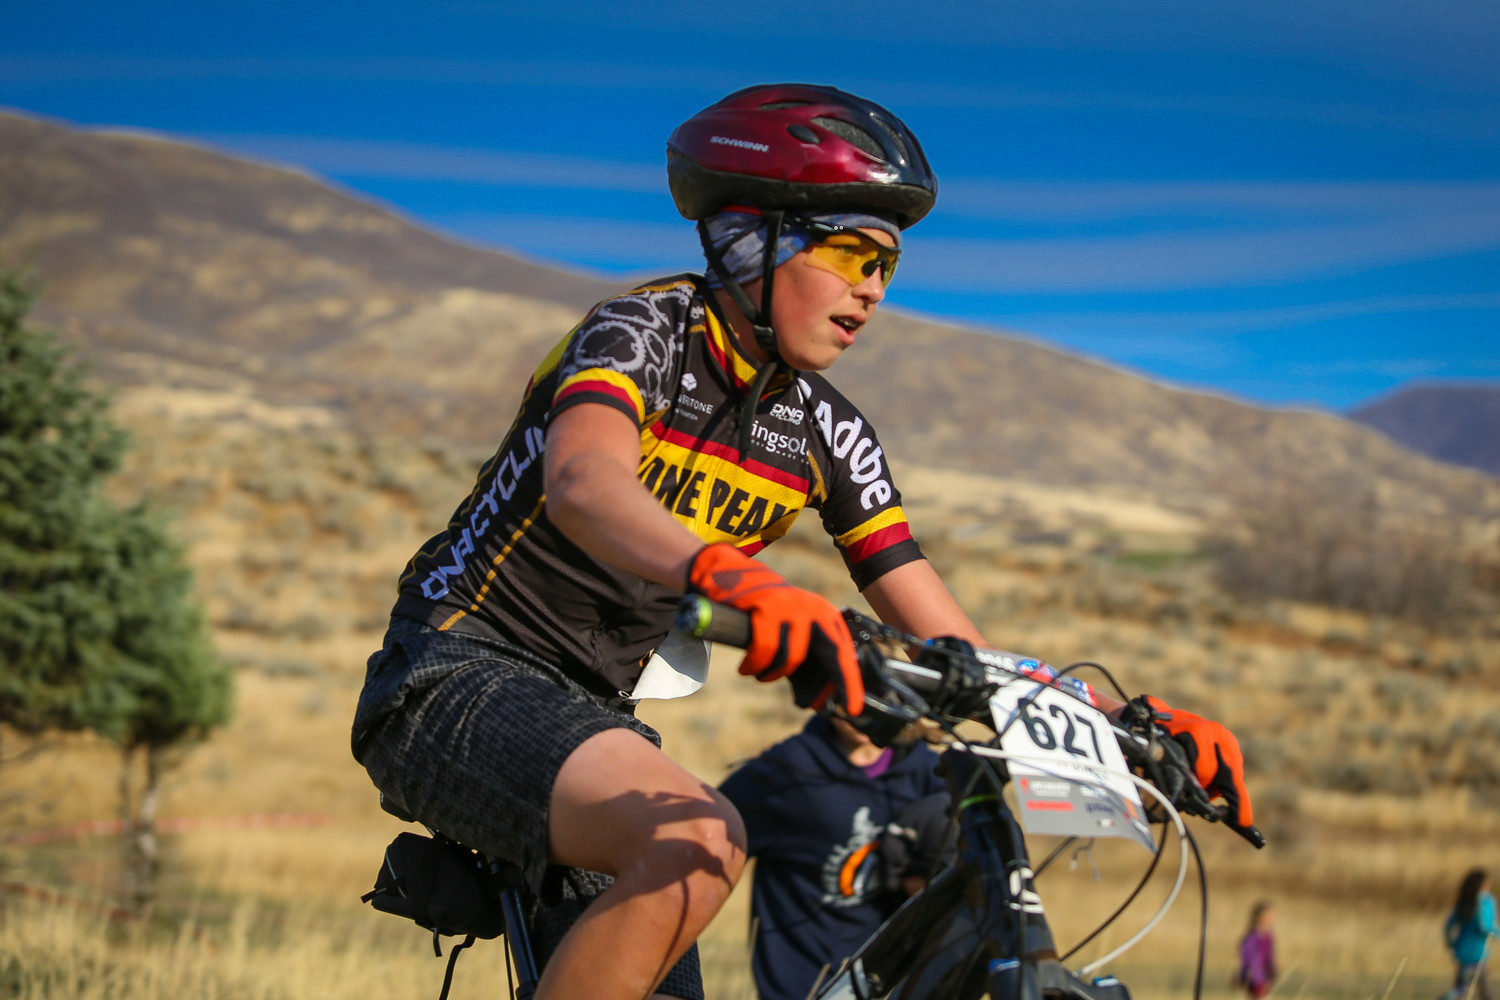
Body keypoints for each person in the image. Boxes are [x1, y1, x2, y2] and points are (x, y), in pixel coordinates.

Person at [349, 83, 1255, 1000]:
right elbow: (584, 482)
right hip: (453, 669)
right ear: (754, 237)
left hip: (599, 717)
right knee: (700, 841)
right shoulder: (643, 333)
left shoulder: (830, 431)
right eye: (854, 253)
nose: (873, 288)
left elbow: (952, 638)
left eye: (889, 266)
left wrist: (1118, 725)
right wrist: (736, 581)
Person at [719, 714, 953, 1000]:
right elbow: (704, 842)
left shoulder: (933, 774)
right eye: (855, 696)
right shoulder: (788, 771)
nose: (866, 709)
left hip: (886, 979)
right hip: (798, 982)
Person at [1443, 868, 1496, 1000]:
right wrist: (1496, 933)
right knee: (1486, 993)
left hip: (1462, 954)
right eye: (1487, 883)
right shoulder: (1485, 902)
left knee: (1461, 990)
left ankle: (1448, 997)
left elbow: (1449, 924)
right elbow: (1485, 926)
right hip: (1478, 954)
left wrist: (1451, 943)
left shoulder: (1464, 903)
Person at [1237, 900, 1277, 998]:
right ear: (1259, 917)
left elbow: (1269, 956)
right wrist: (1253, 977)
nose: (1271, 919)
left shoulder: (1268, 935)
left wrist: (1271, 972)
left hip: (1265, 978)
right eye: (1268, 916)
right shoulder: (1252, 937)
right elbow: (1248, 959)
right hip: (1255, 980)